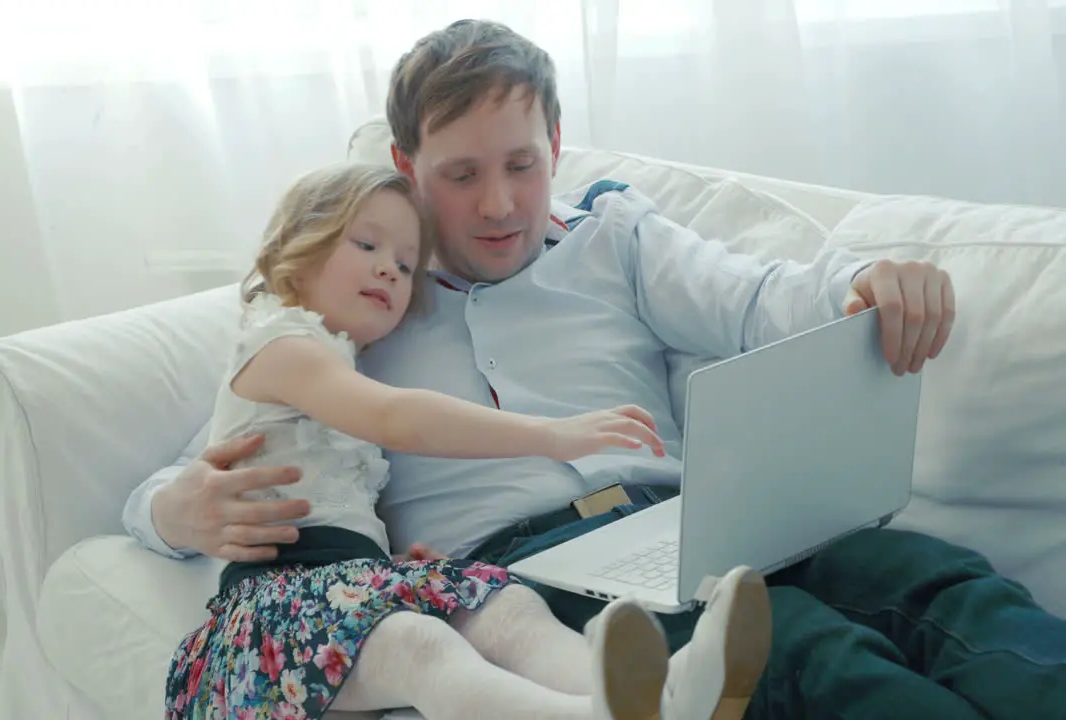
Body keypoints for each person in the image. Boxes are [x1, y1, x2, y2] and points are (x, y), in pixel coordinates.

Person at [128, 19, 1066, 720]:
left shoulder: (616, 235)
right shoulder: (363, 298)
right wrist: (174, 511)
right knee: (813, 655)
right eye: (460, 176)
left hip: (707, 517)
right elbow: (230, 434)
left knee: (940, 584)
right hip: (534, 572)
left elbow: (754, 298)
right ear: (407, 165)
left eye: (522, 166)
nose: (498, 205)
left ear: (557, 148)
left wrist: (866, 279)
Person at [160, 161, 775, 720]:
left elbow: (336, 502)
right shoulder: (279, 342)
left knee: (505, 608)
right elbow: (396, 417)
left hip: (345, 588)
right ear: (295, 248)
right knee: (422, 645)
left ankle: (667, 695)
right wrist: (551, 435)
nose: (388, 268)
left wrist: (387, 570)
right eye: (367, 244)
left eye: (405, 264)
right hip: (273, 613)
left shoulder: (340, 365)